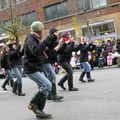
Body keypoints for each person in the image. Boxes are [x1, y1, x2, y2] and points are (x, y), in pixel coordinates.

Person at [24, 21, 52, 119]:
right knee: (47, 85)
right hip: (31, 68)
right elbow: (36, 52)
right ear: (39, 30)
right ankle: (32, 104)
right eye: (42, 29)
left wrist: (49, 41)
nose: (44, 31)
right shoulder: (30, 39)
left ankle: (39, 113)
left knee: (44, 89)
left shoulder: (35, 39)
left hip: (36, 67)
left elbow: (42, 51)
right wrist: (45, 41)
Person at [43, 27, 63, 102]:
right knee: (53, 76)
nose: (57, 33)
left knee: (49, 77)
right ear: (52, 33)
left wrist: (60, 44)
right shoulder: (50, 40)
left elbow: (54, 51)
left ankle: (49, 95)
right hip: (46, 61)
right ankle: (54, 95)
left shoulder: (54, 41)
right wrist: (54, 37)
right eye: (56, 32)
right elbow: (51, 48)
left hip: (49, 61)